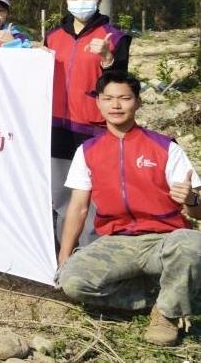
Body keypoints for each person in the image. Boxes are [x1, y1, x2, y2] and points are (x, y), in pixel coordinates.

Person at [57, 72, 201, 347]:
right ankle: (164, 296)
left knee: (192, 243)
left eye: (124, 98)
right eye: (108, 98)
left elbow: (197, 214)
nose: (116, 105)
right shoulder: (87, 151)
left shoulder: (165, 148)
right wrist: (64, 256)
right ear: (98, 102)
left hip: (164, 240)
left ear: (138, 103)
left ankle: (166, 314)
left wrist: (192, 200)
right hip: (115, 242)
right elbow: (77, 208)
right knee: (73, 282)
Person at [45, 0, 130, 242]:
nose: (80, 3)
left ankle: (90, 252)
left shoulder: (114, 37)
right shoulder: (53, 37)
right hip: (57, 126)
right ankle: (63, 253)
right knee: (60, 193)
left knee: (93, 195)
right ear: (66, 1)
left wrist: (107, 58)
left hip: (95, 127)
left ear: (99, 0)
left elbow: (120, 84)